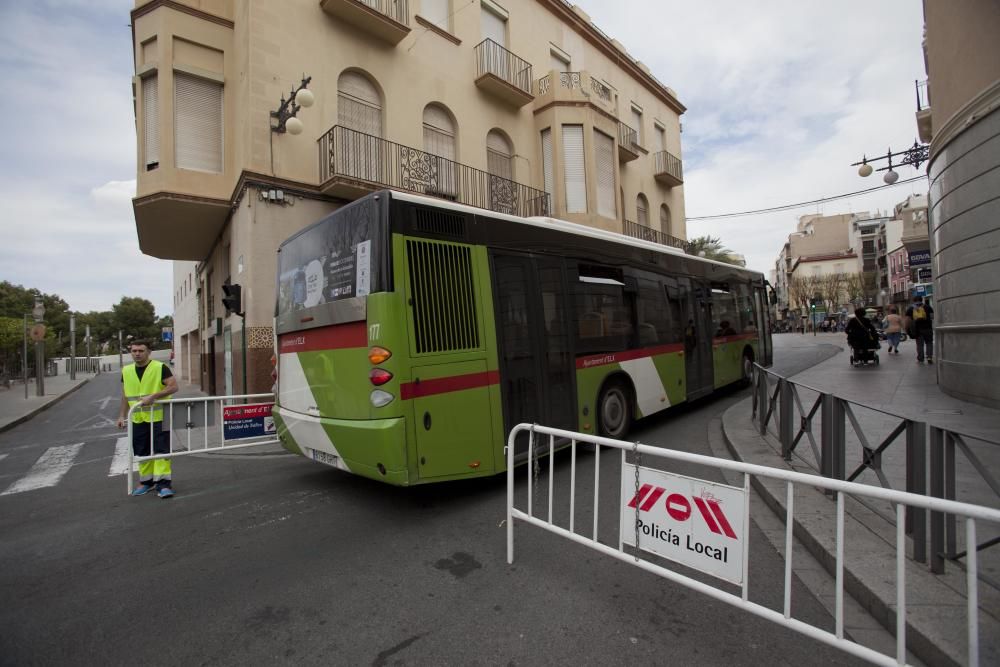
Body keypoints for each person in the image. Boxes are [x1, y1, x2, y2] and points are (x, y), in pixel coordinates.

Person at [117, 340, 179, 498]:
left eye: (141, 350)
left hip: (159, 416)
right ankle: (146, 482)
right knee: (141, 451)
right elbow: (125, 394)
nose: (137, 353)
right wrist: (121, 415)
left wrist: (154, 396)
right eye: (134, 350)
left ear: (149, 352)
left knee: (161, 450)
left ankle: (164, 484)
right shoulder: (127, 370)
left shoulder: (159, 367)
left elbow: (173, 386)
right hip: (137, 418)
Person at [905, 295, 935, 364]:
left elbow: (907, 320)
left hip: (917, 329)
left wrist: (907, 329)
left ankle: (920, 358)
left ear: (914, 301)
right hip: (928, 328)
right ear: (922, 300)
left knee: (919, 344)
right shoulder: (928, 307)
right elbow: (932, 317)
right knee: (929, 343)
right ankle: (929, 357)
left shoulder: (910, 308)